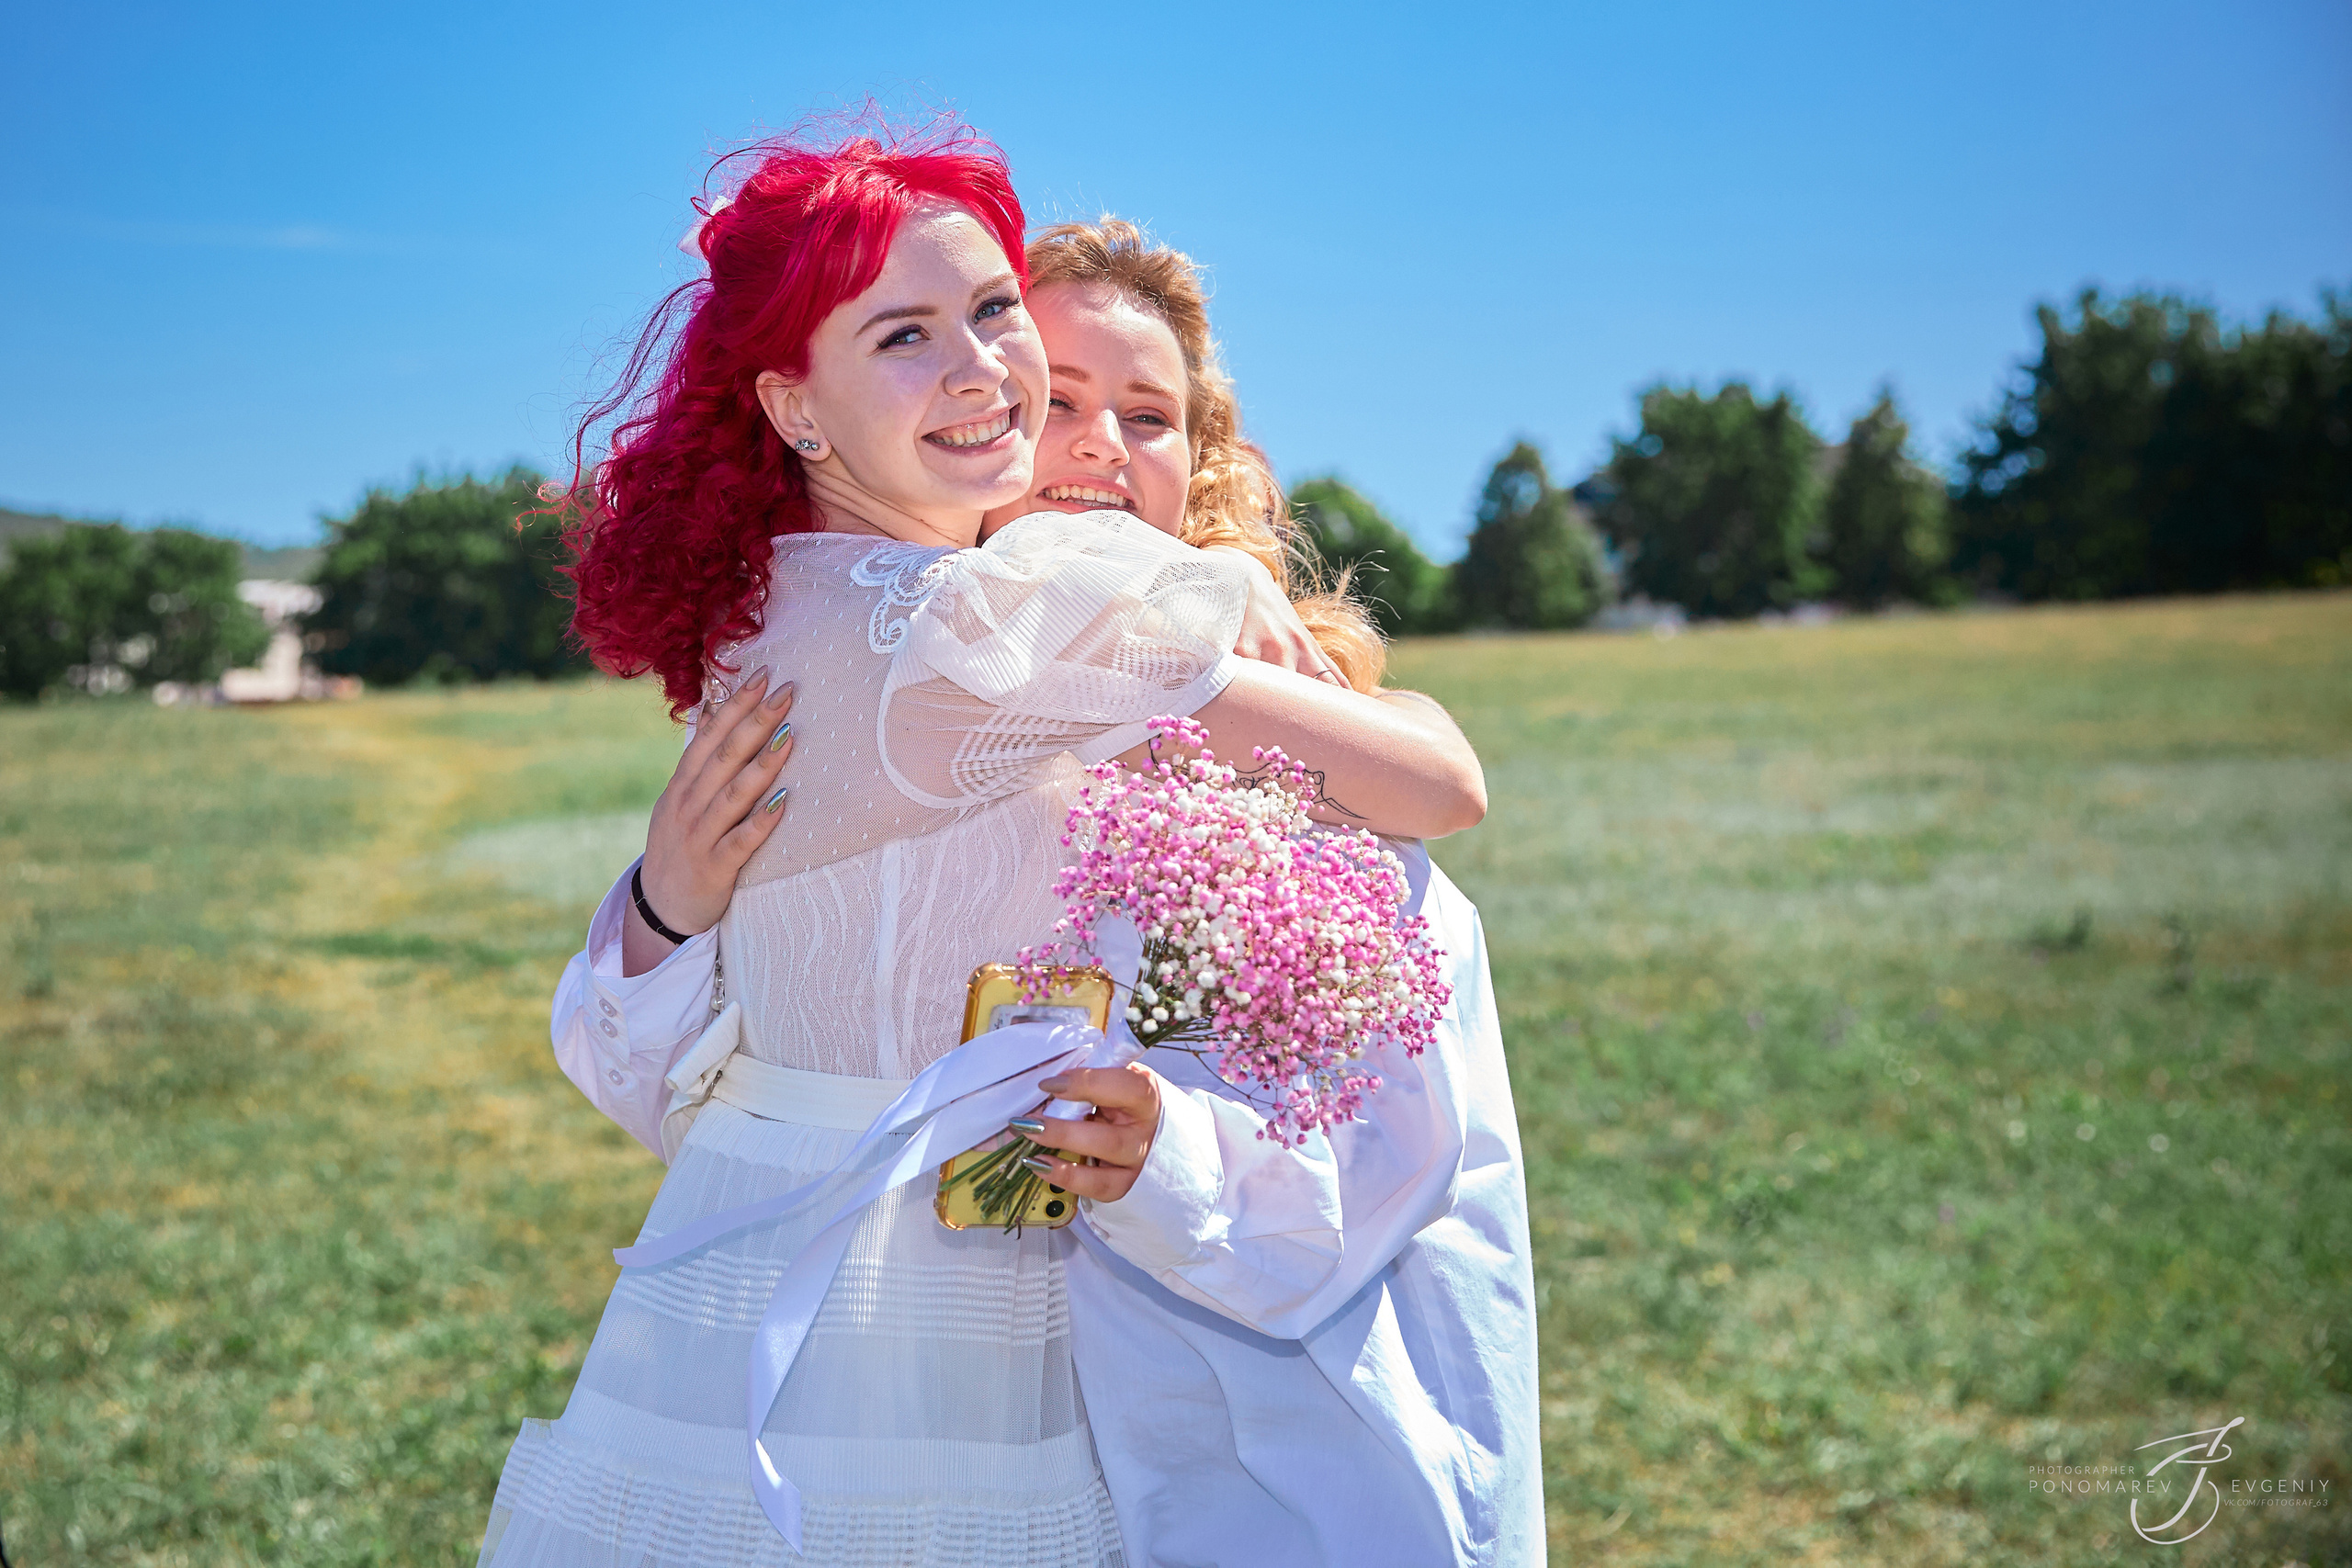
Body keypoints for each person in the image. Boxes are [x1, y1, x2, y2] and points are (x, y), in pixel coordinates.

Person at [485, 122, 1484, 1568]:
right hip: (914, 1309)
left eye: (990, 310)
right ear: (795, 409)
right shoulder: (976, 624)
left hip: (784, 1266)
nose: (988, 376)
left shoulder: (798, 608)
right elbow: (1440, 776)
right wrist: (662, 909)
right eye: (906, 334)